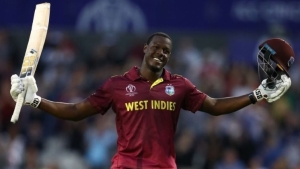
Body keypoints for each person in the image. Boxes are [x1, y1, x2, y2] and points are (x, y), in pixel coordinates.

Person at [10, 32, 292, 169]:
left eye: (166, 50)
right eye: (156, 47)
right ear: (145, 49)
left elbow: (215, 107)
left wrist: (256, 95)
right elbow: (76, 111)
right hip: (125, 165)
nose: (161, 53)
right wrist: (36, 100)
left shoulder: (180, 85)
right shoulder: (117, 85)